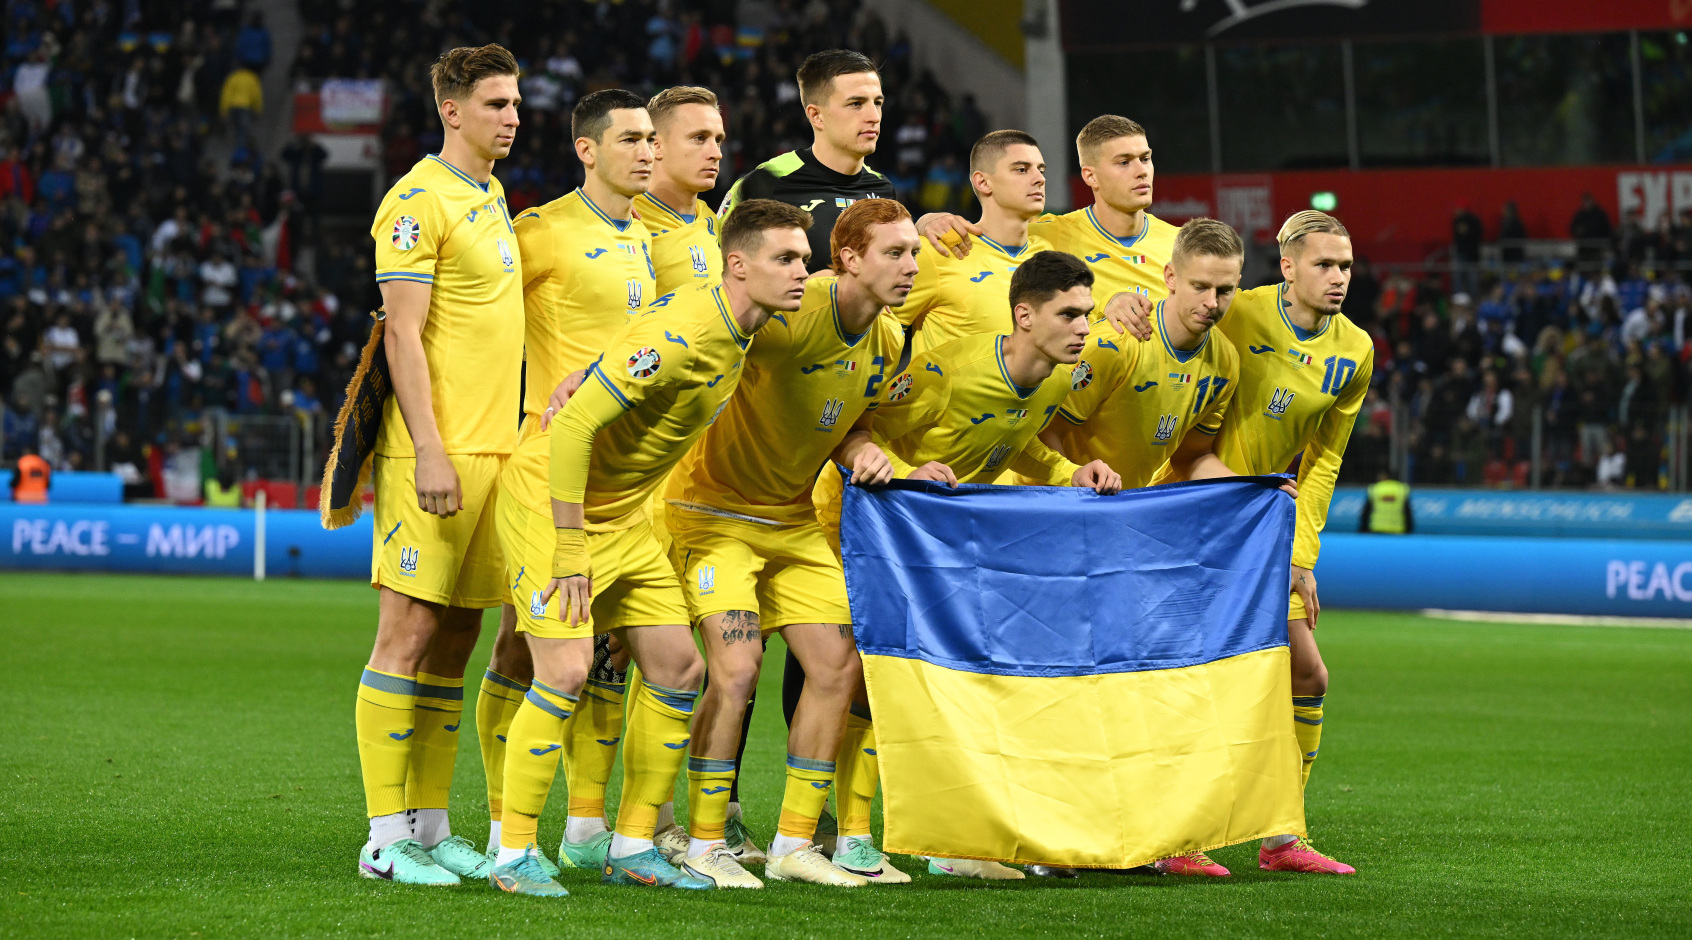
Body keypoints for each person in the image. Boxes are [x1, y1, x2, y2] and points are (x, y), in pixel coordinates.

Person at [488, 199, 814, 897]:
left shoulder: (740, 322)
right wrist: (569, 548)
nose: (801, 272)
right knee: (566, 672)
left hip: (625, 514)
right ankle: (512, 853)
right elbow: (573, 428)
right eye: (786, 259)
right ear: (738, 265)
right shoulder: (689, 332)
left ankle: (633, 844)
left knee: (678, 668)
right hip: (553, 505)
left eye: (805, 260)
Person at [822, 249, 1122, 881]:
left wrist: (1070, 471)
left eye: (1088, 314)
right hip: (862, 530)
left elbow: (1021, 439)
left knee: (965, 683)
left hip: (943, 546)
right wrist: (906, 472)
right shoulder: (947, 372)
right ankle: (846, 835)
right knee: (867, 678)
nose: (1083, 328)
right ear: (1025, 316)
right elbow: (854, 430)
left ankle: (957, 841)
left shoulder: (1058, 378)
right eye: (1069, 314)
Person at [663, 198, 915, 888]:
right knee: (737, 671)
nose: (910, 267)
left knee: (838, 667)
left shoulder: (889, 338)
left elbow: (850, 422)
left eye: (914, 253)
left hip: (792, 520)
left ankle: (793, 845)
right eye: (895, 253)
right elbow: (700, 330)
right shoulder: (790, 312)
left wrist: (862, 452)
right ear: (850, 260)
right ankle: (706, 843)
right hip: (711, 513)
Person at [1150, 210, 1372, 874]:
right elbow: (1169, 322)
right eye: (1325, 265)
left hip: (1266, 531)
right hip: (1194, 516)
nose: (1338, 277)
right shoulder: (1236, 312)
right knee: (1199, 682)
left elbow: (1325, 460)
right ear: (1287, 267)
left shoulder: (1355, 350)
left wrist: (1301, 553)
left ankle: (1282, 838)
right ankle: (1175, 838)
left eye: (1346, 266)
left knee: (1308, 674)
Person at [354, 44, 524, 887]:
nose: (513, 117)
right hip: (435, 451)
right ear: (451, 110)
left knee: (457, 640)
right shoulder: (417, 200)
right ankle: (384, 839)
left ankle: (430, 825)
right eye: (496, 104)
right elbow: (402, 334)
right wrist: (428, 448)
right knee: (409, 633)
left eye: (516, 103)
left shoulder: (491, 194)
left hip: (497, 451)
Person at [480, 88, 660, 878]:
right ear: (587, 150)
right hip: (546, 471)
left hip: (622, 484)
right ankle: (503, 831)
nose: (647, 152)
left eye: (651, 139)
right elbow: (477, 319)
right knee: (523, 653)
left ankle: (587, 828)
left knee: (608, 655)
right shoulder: (541, 232)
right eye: (631, 139)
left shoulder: (646, 237)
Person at [1041, 218, 1245, 493]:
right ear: (1170, 277)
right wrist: (1076, 489)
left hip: (1123, 508)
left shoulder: (1226, 360)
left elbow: (1191, 457)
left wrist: (1254, 489)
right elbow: (1043, 432)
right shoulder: (1113, 345)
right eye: (1200, 287)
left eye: (1224, 290)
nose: (1211, 302)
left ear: (1237, 284)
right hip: (1056, 501)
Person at [718, 50, 896, 272]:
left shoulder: (883, 189)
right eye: (856, 104)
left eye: (877, 103)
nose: (874, 117)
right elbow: (717, 273)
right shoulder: (766, 183)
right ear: (816, 116)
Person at [897, 130, 1051, 356]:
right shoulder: (939, 251)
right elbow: (876, 328)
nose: (1040, 178)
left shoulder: (1050, 254)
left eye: (1041, 170)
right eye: (1021, 169)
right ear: (983, 182)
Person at [1027, 115, 1171, 342]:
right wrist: (958, 227)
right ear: (1091, 176)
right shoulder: (1048, 237)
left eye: (1145, 159)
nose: (1141, 171)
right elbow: (986, 239)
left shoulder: (1180, 245)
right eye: (1124, 162)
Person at [636, 86, 726, 291]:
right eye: (699, 138)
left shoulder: (711, 219)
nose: (716, 153)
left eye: (718, 140)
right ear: (656, 146)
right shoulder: (625, 222)